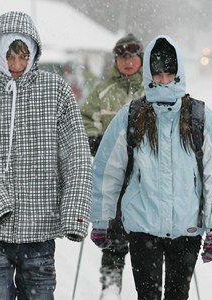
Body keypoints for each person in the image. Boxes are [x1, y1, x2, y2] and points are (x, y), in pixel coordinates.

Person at [0, 11, 92, 299]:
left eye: (23, 57)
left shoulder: (56, 91)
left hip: (40, 227)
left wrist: (75, 212)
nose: (16, 65)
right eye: (9, 57)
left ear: (33, 54)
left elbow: (75, 154)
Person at [89, 35, 212, 300]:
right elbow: (107, 171)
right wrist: (101, 219)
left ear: (179, 74)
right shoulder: (131, 115)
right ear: (149, 75)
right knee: (147, 296)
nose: (164, 81)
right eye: (158, 76)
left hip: (187, 228)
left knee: (177, 295)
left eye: (170, 75)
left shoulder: (199, 117)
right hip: (142, 227)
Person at [80, 33, 145, 298]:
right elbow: (85, 121)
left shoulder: (152, 89)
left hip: (146, 180)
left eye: (133, 58)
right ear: (116, 60)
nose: (128, 63)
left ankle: (147, 289)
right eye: (122, 58)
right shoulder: (102, 90)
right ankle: (110, 288)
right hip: (115, 180)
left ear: (141, 59)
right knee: (114, 239)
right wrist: (98, 143)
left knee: (145, 240)